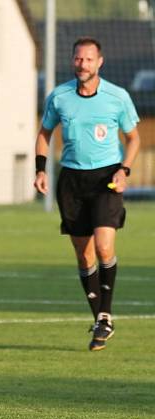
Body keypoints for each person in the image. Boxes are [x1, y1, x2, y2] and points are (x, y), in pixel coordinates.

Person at [34, 37, 140, 351]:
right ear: (73, 61)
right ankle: (100, 320)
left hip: (107, 178)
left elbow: (133, 138)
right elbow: (44, 134)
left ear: (100, 62)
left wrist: (125, 169)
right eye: (78, 59)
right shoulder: (60, 96)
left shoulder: (117, 97)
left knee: (105, 246)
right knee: (84, 254)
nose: (83, 65)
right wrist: (41, 169)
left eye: (89, 60)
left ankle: (105, 313)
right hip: (71, 181)